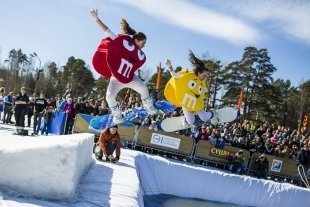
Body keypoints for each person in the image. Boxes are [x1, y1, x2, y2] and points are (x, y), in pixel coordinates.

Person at [90, 9, 157, 124]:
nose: (144, 46)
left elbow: (134, 66)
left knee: (143, 88)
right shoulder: (121, 42)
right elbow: (107, 31)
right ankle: (117, 116)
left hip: (130, 77)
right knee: (109, 97)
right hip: (116, 77)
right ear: (136, 40)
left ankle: (149, 107)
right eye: (143, 43)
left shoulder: (138, 54)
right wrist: (96, 19)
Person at [165, 52, 215, 127]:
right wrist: (169, 66)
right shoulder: (188, 77)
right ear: (199, 73)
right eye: (204, 75)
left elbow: (201, 94)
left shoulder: (202, 82)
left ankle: (213, 112)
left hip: (196, 102)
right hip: (186, 102)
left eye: (206, 76)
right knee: (191, 121)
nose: (205, 77)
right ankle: (185, 120)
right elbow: (174, 75)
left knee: (204, 117)